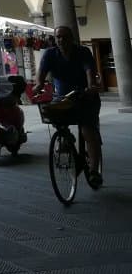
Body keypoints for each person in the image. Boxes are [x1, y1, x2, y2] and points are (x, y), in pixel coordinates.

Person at [36, 25, 102, 188]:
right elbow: (41, 72)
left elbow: (89, 70)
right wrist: (38, 85)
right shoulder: (50, 54)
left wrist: (91, 86)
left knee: (88, 130)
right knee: (53, 114)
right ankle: (66, 137)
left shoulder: (82, 52)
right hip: (63, 97)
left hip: (85, 96)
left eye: (65, 37)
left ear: (72, 39)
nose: (61, 40)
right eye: (58, 37)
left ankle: (94, 171)